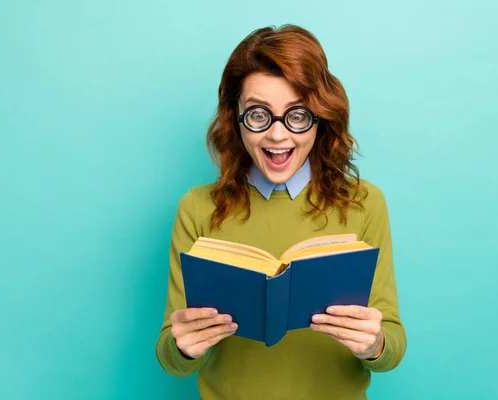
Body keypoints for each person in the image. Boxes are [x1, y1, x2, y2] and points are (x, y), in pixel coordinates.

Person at [155, 24, 406, 399]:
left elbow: (392, 346)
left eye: (297, 115)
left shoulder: (364, 203)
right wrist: (182, 345)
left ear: (320, 117)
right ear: (235, 117)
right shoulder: (197, 207)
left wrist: (375, 346)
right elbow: (171, 358)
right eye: (258, 115)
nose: (277, 135)